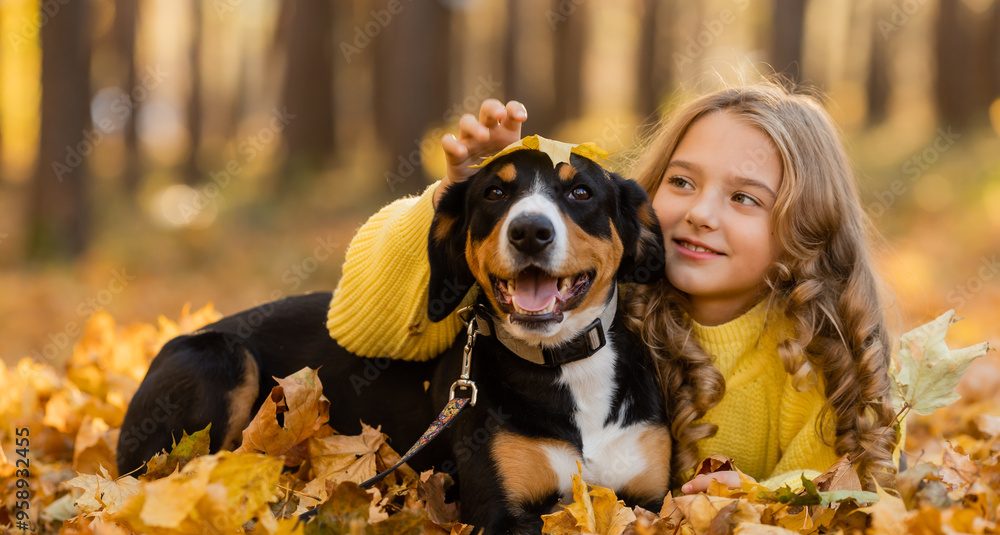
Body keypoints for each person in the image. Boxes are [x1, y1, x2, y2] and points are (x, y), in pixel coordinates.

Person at [326, 81, 901, 493]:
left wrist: (743, 501)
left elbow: (838, 487)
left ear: (805, 228)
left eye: (744, 197)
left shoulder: (815, 354)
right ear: (641, 214)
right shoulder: (597, 305)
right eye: (682, 181)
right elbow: (368, 327)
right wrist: (452, 200)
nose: (701, 213)